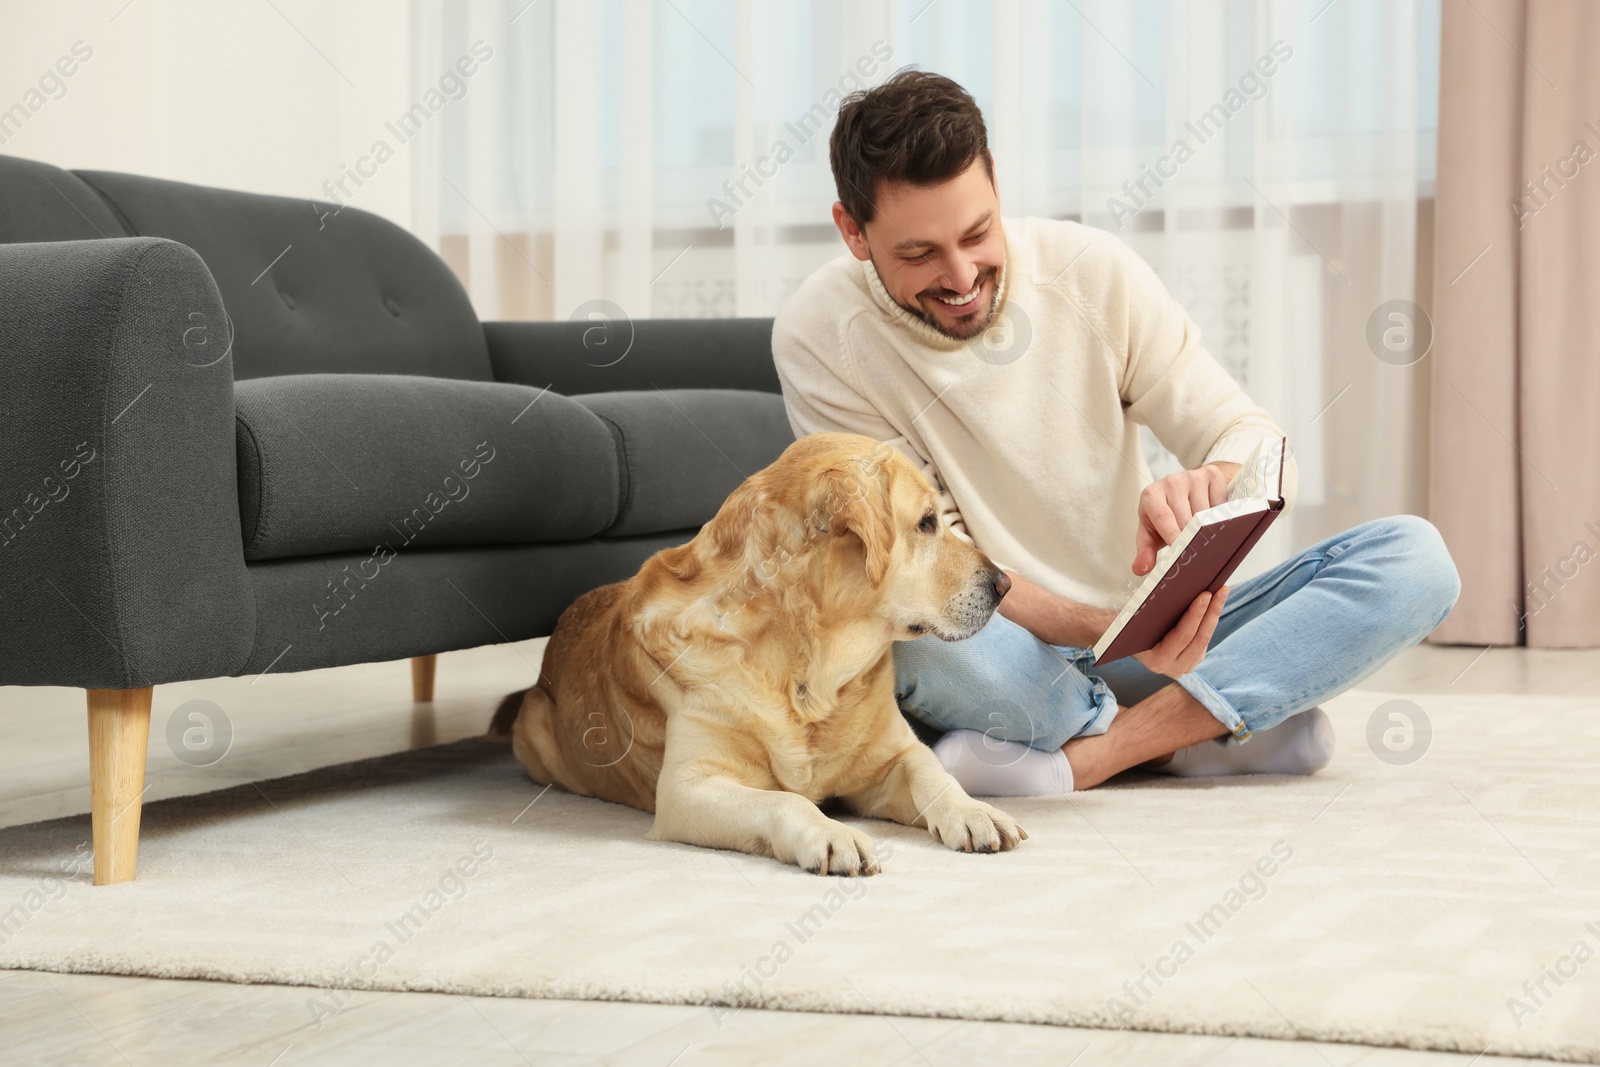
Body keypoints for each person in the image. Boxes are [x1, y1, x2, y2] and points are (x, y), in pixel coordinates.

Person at [770, 70, 1461, 796]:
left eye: (977, 232)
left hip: (1151, 636)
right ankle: (1205, 727)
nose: (963, 273)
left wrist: (1215, 486)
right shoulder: (821, 336)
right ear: (853, 230)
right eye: (919, 254)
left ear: (997, 181)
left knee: (1415, 559)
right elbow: (923, 560)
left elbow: (1252, 437)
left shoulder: (1091, 273)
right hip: (1008, 649)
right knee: (895, 628)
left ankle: (1100, 751)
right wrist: (1105, 627)